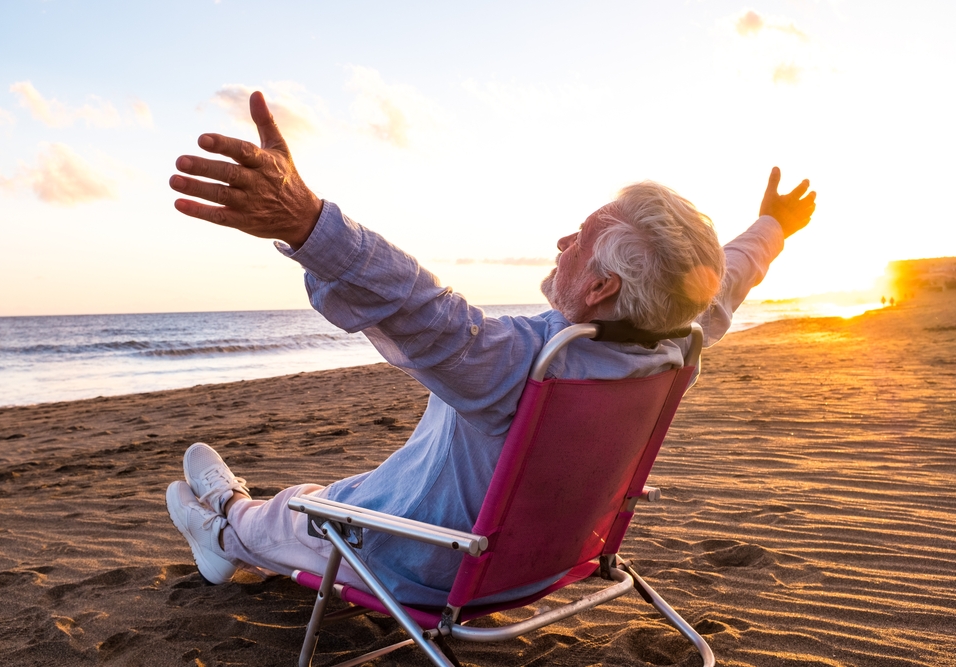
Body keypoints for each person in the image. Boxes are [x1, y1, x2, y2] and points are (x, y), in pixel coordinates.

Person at [165, 91, 816, 606]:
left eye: (583, 236)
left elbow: (422, 309)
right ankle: (237, 515)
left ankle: (222, 526)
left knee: (304, 514)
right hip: (549, 558)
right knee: (333, 493)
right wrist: (773, 225)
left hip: (422, 559)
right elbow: (728, 277)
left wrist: (306, 222)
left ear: (599, 286)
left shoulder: (531, 367)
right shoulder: (678, 342)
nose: (564, 237)